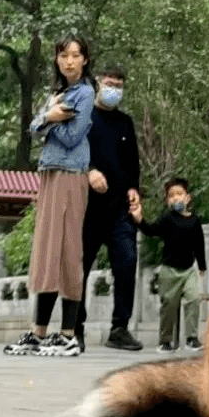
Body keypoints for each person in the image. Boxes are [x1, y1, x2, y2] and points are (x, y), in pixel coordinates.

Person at [4, 35, 94, 357]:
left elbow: (72, 137)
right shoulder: (58, 94)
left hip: (71, 175)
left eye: (75, 55)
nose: (69, 61)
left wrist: (49, 120)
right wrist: (49, 116)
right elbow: (31, 127)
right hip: (50, 174)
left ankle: (68, 333)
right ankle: (38, 331)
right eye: (63, 55)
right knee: (46, 250)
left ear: (84, 59)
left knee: (69, 251)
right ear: (57, 60)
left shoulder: (85, 93)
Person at [75, 65, 144, 352]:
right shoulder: (83, 118)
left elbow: (132, 165)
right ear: (97, 84)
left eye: (119, 84)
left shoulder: (125, 123)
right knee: (80, 267)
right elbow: (70, 151)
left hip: (119, 211)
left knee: (127, 262)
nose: (115, 88)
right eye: (110, 83)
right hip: (87, 209)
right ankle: (74, 326)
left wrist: (133, 190)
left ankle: (120, 328)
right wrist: (89, 171)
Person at [129, 176, 207, 353]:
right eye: (171, 196)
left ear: (188, 197)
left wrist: (202, 266)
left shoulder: (194, 221)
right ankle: (165, 341)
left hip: (188, 270)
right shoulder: (167, 219)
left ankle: (192, 338)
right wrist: (139, 220)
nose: (176, 198)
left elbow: (199, 244)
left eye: (179, 194)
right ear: (167, 200)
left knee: (194, 299)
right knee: (169, 306)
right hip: (169, 271)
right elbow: (151, 231)